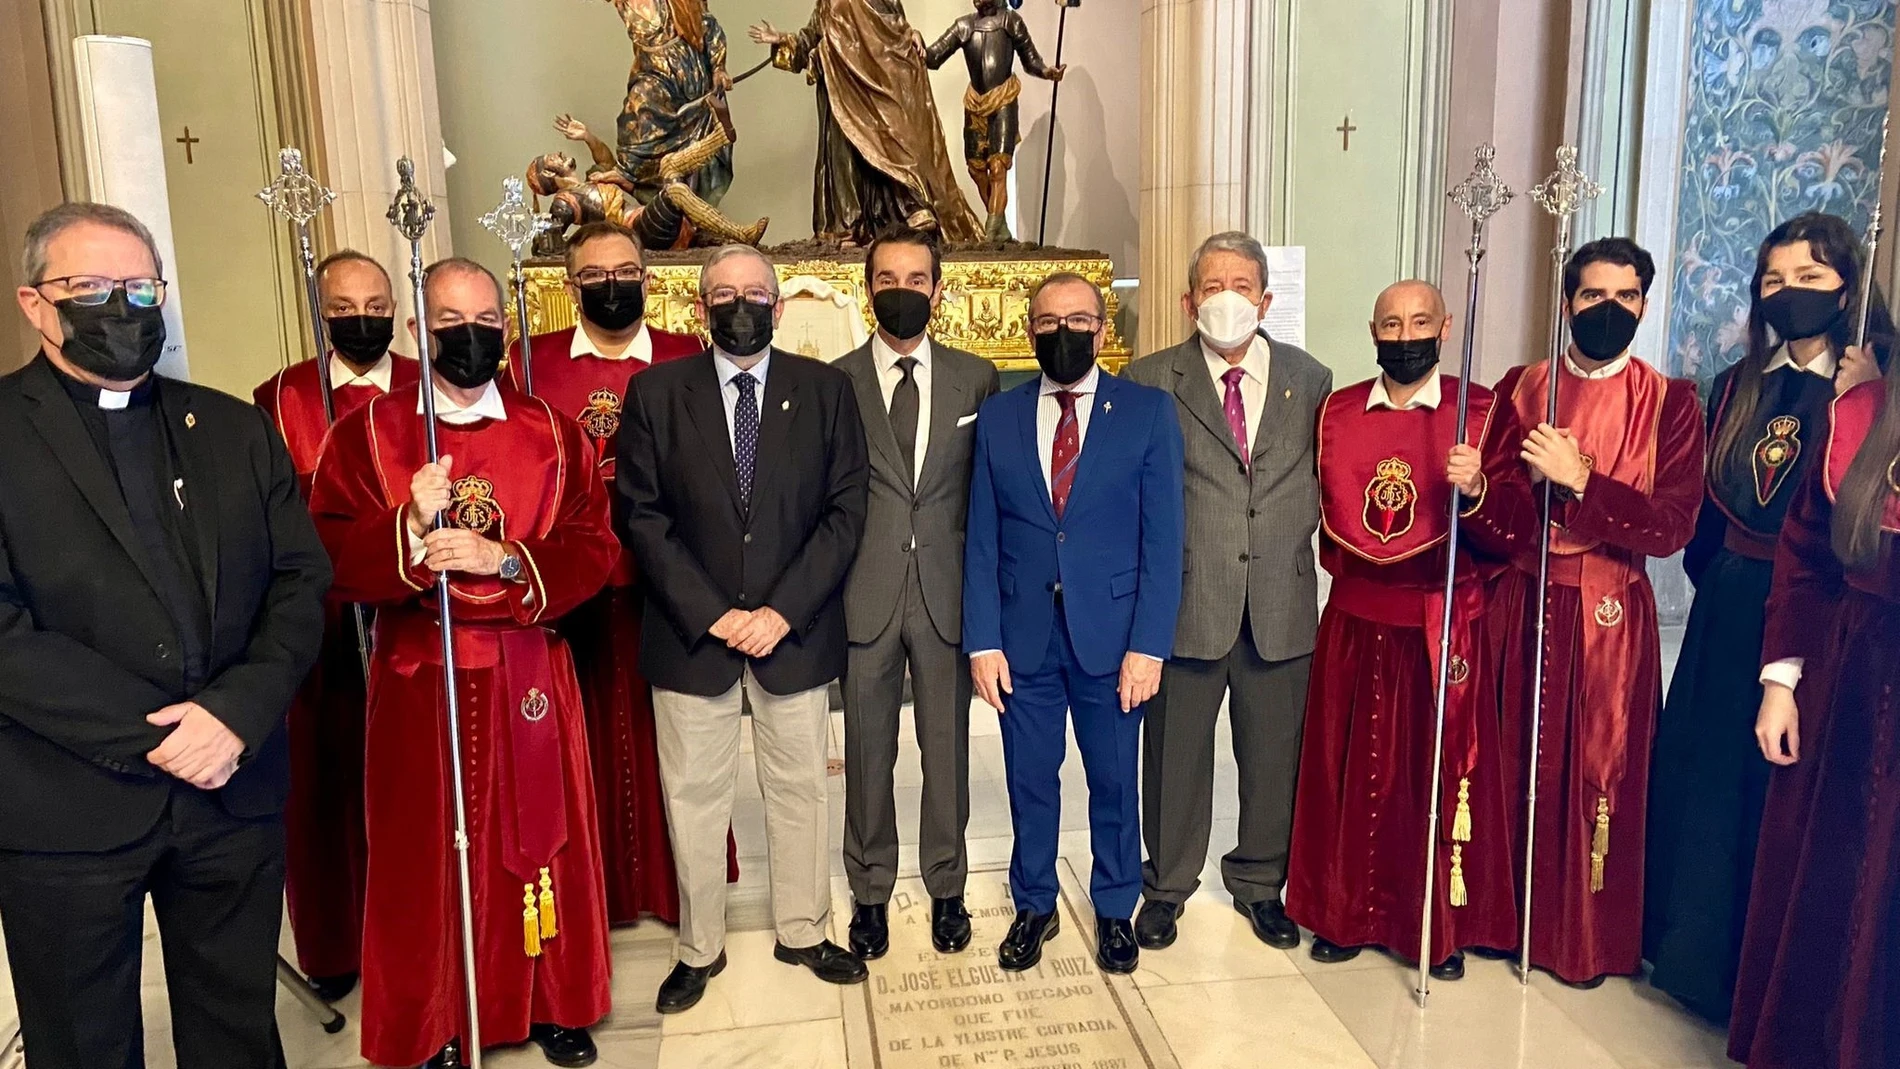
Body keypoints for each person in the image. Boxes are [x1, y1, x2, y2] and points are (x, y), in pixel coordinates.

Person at [0, 201, 329, 1067]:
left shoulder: (233, 428)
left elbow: (300, 582)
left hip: (232, 787)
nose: (122, 307)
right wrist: (159, 737)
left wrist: (233, 716)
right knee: (82, 1045)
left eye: (140, 287)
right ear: (35, 304)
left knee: (237, 1035)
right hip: (66, 803)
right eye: (93, 287)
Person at [309, 257, 617, 1068]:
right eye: (451, 325)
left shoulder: (551, 432)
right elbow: (328, 553)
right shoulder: (368, 435)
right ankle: (435, 1019)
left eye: (486, 323)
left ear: (504, 331)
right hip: (419, 672)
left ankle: (555, 1002)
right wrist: (408, 525)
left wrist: (506, 558)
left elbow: (594, 545)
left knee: (540, 843)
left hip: (526, 666)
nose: (471, 337)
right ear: (419, 330)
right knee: (425, 856)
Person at [1645, 212, 1889, 1022]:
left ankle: (1760, 972)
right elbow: (1711, 512)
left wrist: (1860, 395)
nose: (1790, 295)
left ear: (1847, 287)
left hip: (1817, 612)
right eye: (1775, 280)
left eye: (1810, 280)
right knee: (1709, 771)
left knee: (1778, 786)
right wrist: (1722, 577)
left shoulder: (1869, 390)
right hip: (1729, 601)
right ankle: (1691, 955)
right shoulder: (1736, 384)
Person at [618, 244, 870, 1013]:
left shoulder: (825, 390)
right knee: (694, 796)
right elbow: (641, 515)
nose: (741, 305)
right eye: (724, 294)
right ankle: (699, 946)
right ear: (699, 309)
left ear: (779, 307)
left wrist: (780, 611)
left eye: (755, 293)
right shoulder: (656, 392)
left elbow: (845, 510)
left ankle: (803, 926)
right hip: (692, 637)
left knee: (799, 790)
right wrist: (716, 613)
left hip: (791, 636)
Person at [1284, 280, 1532, 980]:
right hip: (1357, 618)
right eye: (1390, 323)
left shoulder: (1481, 413)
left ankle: (1433, 925)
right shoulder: (1336, 412)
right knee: (1348, 773)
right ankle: (1342, 914)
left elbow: (1517, 531)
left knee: (1432, 777)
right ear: (1372, 330)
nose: (1404, 334)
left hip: (1439, 621)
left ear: (1447, 326)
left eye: (1420, 320)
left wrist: (1479, 489)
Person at [1486, 237, 1705, 989]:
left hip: (1610, 608)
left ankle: (1581, 937)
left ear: (1643, 303)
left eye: (1625, 298)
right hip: (1523, 598)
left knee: (1595, 772)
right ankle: (1503, 918)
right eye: (1592, 297)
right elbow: (1497, 511)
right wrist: (1492, 495)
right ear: (1567, 302)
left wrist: (1581, 479)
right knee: (1513, 755)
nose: (1608, 310)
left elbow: (1673, 525)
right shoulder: (1523, 386)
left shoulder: (1670, 402)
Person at [964, 271, 1185, 975]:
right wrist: (982, 640)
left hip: (1114, 638)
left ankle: (1115, 906)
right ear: (1030, 332)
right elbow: (981, 537)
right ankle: (1035, 903)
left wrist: (1149, 646)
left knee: (1114, 780)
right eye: (1050, 321)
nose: (1065, 333)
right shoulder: (999, 416)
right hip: (1023, 635)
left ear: (1103, 328)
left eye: (1079, 320)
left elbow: (1164, 540)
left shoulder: (1147, 412)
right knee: (1031, 779)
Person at [1121, 231, 1331, 952]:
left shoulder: (1314, 379)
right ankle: (1167, 884)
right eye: (1213, 286)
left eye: (1242, 285)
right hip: (1186, 599)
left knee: (1274, 755)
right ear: (1188, 301)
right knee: (1174, 754)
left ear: (1266, 298)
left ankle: (1260, 881)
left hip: (1281, 598)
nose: (1228, 299)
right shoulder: (1150, 380)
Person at [507, 220, 709, 928]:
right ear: (570, 287)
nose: (611, 286)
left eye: (625, 272)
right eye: (593, 276)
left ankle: (675, 881)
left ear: (649, 279)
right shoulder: (528, 365)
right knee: (582, 740)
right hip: (575, 588)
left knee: (678, 742)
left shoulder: (690, 354)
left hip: (670, 582)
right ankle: (597, 889)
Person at [254, 248, 420, 1001]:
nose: (363, 320)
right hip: (320, 620)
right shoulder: (283, 396)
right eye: (346, 309)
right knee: (328, 782)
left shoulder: (427, 385)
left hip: (414, 608)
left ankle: (428, 931)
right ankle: (338, 943)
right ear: (321, 313)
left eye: (377, 306)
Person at [834, 229, 1000, 960]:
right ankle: (869, 891)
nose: (902, 288)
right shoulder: (834, 382)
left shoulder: (977, 377)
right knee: (869, 750)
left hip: (946, 593)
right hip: (865, 593)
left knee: (946, 751)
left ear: (939, 289)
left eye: (916, 277)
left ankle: (948, 885)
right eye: (886, 276)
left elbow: (989, 497)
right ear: (865, 288)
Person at [1732, 368, 1898, 1069]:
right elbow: (1803, 559)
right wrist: (1782, 680)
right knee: (1837, 879)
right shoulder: (1860, 414)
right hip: (1854, 674)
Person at [749, 3, 982, 245]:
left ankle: (908, 206)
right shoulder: (830, 3)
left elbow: (894, 27)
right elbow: (811, 37)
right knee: (846, 158)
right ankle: (850, 227)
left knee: (892, 142)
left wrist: (911, 36)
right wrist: (782, 40)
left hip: (880, 83)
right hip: (842, 89)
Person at [923, 0, 1065, 241]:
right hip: (975, 103)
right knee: (977, 170)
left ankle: (991, 232)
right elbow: (933, 56)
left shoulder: (1011, 21)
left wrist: (1046, 72)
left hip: (1003, 100)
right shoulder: (964, 26)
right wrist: (911, 40)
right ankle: (1000, 226)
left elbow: (1030, 59)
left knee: (998, 167)